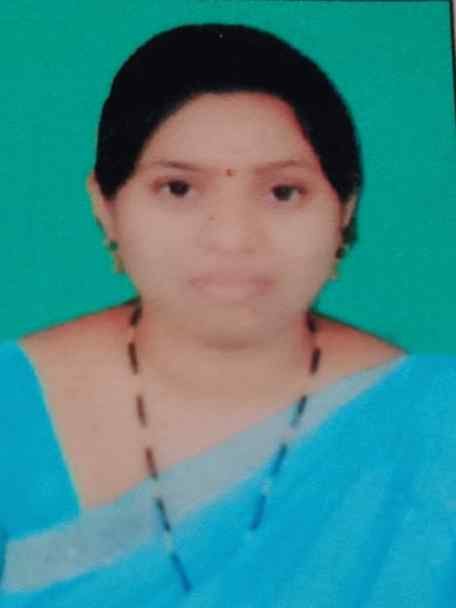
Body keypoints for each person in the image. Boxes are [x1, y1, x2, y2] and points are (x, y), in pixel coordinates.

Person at [0, 22, 454, 607]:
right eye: (178, 189)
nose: (233, 239)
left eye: (283, 192)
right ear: (105, 206)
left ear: (344, 209)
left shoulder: (431, 424)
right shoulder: (11, 405)